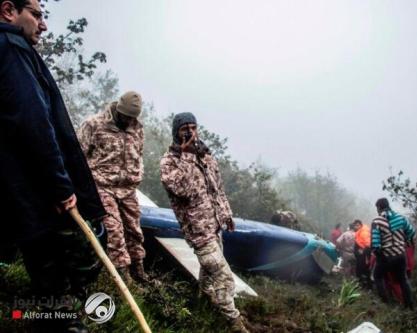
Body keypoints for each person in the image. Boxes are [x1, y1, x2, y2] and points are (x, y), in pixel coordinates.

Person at [0, 0, 105, 331]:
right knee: (51, 273)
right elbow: (33, 120)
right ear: (8, 11)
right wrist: (60, 186)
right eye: (36, 14)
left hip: (15, 186)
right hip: (30, 189)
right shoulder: (12, 47)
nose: (43, 25)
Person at [160, 112, 249, 333]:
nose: (190, 132)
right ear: (176, 132)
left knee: (209, 276)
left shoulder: (206, 156)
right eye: (184, 129)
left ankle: (202, 306)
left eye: (193, 127)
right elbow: (183, 189)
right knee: (224, 277)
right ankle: (234, 322)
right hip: (198, 231)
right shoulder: (170, 162)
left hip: (215, 225)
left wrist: (226, 214)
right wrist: (187, 155)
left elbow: (217, 188)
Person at [78, 91, 149, 283]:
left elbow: (139, 154)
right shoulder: (94, 124)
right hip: (102, 186)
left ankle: (138, 270)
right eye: (126, 116)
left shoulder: (137, 129)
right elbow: (78, 156)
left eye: (132, 117)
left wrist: (137, 174)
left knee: (134, 231)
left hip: (128, 189)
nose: (128, 120)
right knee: (114, 231)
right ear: (118, 109)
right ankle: (123, 278)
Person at [371, 198, 414, 308]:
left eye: (377, 208)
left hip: (387, 256)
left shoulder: (377, 221)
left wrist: (380, 256)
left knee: (377, 276)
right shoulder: (401, 218)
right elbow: (411, 232)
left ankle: (385, 303)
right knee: (403, 279)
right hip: (400, 255)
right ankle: (409, 305)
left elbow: (375, 243)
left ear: (379, 208)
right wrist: (404, 242)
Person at [352, 219, 371, 287]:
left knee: (363, 270)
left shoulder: (364, 232)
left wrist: (364, 252)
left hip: (363, 255)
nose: (355, 227)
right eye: (354, 226)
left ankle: (366, 285)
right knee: (360, 270)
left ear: (360, 225)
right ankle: (362, 284)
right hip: (360, 255)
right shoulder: (359, 231)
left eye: (356, 225)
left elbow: (368, 244)